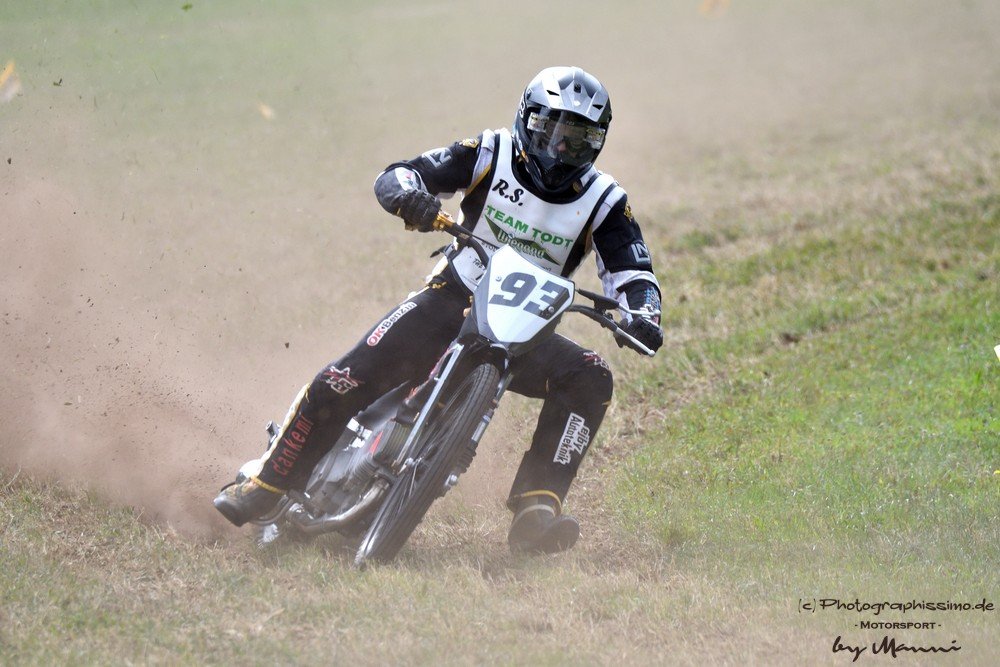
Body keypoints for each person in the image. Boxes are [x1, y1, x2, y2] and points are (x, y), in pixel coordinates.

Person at [214, 66, 663, 554]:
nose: (559, 149)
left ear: (596, 145)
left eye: (577, 141)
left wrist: (643, 314)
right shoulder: (488, 153)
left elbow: (633, 272)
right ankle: (267, 483)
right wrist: (410, 197)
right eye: (549, 131)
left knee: (592, 377)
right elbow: (401, 173)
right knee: (343, 378)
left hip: (525, 329)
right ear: (525, 120)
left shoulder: (607, 201)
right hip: (451, 298)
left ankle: (538, 508)